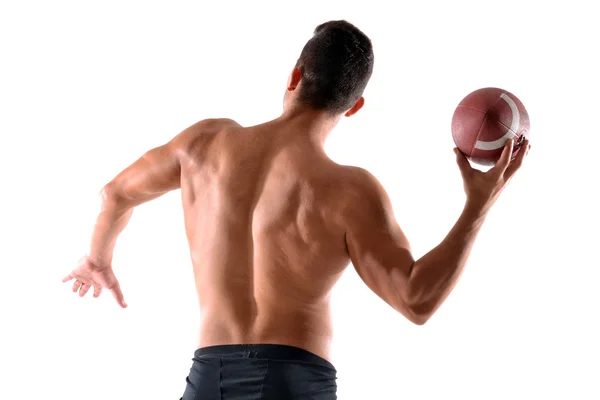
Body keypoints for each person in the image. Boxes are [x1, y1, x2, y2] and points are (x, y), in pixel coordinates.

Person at [62, 20, 530, 399]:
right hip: (293, 381)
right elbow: (416, 301)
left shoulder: (203, 144)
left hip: (208, 379)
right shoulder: (350, 189)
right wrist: (478, 205)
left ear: (294, 76)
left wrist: (98, 259)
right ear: (354, 106)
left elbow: (114, 194)